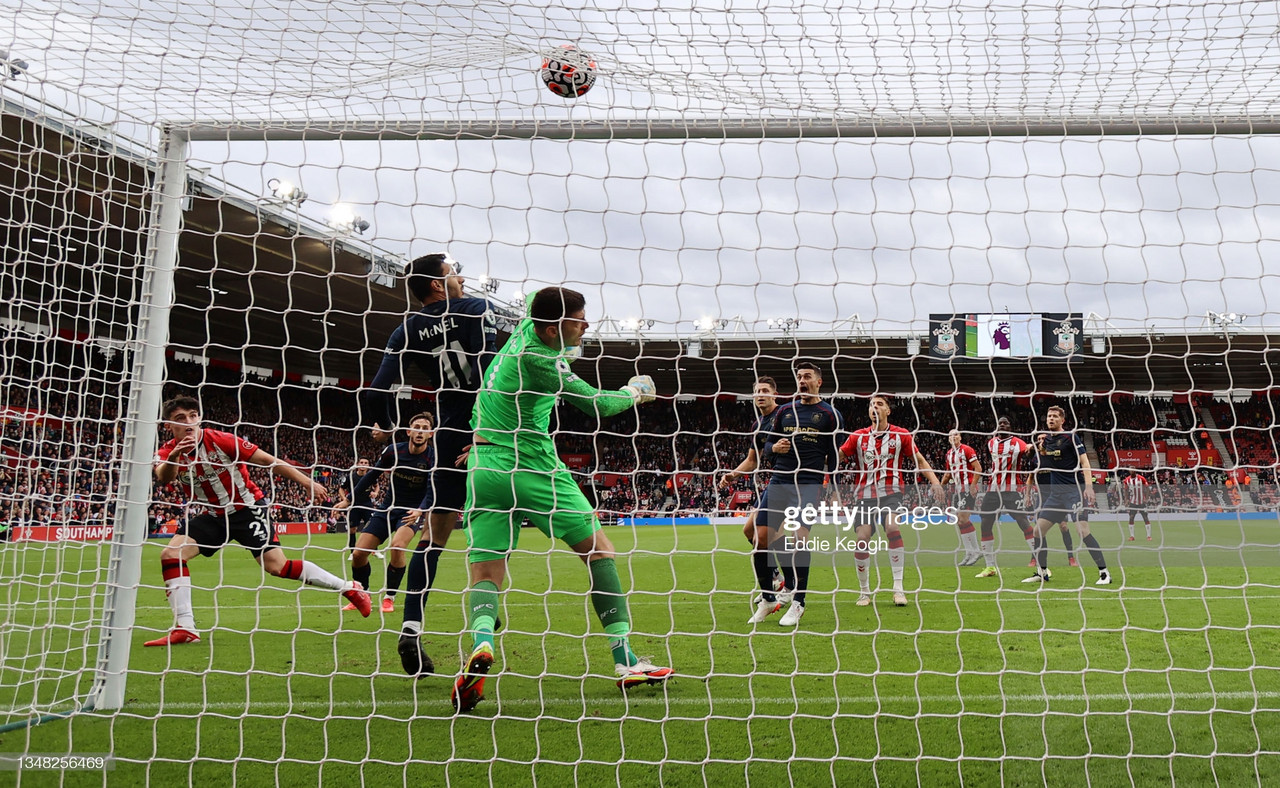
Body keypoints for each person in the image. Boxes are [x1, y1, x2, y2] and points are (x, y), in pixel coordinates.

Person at [451, 286, 670, 713]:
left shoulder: (527, 330)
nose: (586, 325)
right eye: (579, 320)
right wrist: (635, 391)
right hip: (530, 465)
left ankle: (481, 643)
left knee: (486, 571)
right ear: (551, 329)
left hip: (482, 464)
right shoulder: (541, 360)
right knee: (600, 552)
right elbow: (599, 405)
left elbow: (548, 306)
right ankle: (625, 660)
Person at [361, 252, 498, 676]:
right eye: (453, 271)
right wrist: (486, 432)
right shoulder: (478, 309)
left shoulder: (408, 329)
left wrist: (386, 425)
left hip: (448, 439)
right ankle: (486, 616)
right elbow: (494, 375)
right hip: (491, 438)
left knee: (435, 542)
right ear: (439, 284)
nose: (460, 275)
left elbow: (375, 390)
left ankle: (411, 628)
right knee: (504, 531)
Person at [147, 395, 369, 647]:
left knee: (277, 567)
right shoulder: (165, 452)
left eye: (193, 416)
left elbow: (268, 461)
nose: (188, 422)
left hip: (248, 509)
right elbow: (164, 477)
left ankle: (349, 587)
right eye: (180, 419)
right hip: (213, 516)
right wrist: (175, 455)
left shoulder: (220, 440)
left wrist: (307, 482)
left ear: (199, 417)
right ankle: (185, 627)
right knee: (171, 554)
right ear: (169, 426)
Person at [753, 362, 843, 626]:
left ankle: (798, 602)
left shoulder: (830, 414)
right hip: (780, 480)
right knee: (760, 539)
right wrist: (775, 449)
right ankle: (768, 599)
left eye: (807, 376)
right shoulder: (784, 411)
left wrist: (835, 489)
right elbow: (766, 444)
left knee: (799, 539)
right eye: (799, 376)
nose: (801, 380)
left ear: (818, 382)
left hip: (808, 482)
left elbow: (834, 456)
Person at [839, 395, 944, 607]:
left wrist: (935, 482)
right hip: (864, 496)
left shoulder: (901, 434)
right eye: (871, 404)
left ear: (888, 410)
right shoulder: (858, 437)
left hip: (891, 493)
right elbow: (837, 456)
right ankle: (864, 592)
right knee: (862, 538)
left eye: (879, 404)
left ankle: (898, 589)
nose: (874, 407)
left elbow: (920, 460)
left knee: (893, 527)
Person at [343, 413, 436, 615]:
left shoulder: (432, 457)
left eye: (425, 428)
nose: (420, 431)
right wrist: (349, 498)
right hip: (386, 509)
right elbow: (371, 475)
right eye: (417, 426)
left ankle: (389, 597)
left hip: (410, 512)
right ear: (409, 431)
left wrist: (420, 509)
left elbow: (433, 489)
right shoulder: (394, 451)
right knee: (358, 554)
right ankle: (362, 593)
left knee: (397, 546)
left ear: (430, 434)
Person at [718, 376, 789, 616]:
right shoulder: (758, 424)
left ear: (774, 394)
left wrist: (778, 449)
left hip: (789, 482)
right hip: (774, 482)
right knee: (749, 531)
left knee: (761, 536)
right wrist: (732, 475)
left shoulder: (786, 416)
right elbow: (752, 460)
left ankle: (778, 591)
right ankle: (779, 578)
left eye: (765, 390)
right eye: (757, 390)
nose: (760, 394)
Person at [1023, 406, 1110, 585]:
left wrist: (1089, 487)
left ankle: (1104, 573)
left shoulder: (1071, 437)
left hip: (1074, 493)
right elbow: (1038, 456)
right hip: (1056, 496)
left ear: (1063, 420)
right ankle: (1042, 571)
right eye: (1049, 416)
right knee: (1038, 530)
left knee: (1083, 532)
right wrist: (1033, 446)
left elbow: (1085, 462)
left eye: (1055, 416)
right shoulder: (1046, 441)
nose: (1051, 419)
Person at [973, 417, 1038, 578]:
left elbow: (1028, 453)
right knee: (985, 525)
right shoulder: (991, 443)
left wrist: (1032, 449)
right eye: (1000, 423)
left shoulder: (1018, 442)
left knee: (1023, 523)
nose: (1002, 425)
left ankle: (1039, 562)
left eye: (1006, 423)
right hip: (992, 491)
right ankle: (990, 567)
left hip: (1012, 490)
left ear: (1010, 427)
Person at [939, 429, 982, 566]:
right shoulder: (949, 454)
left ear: (960, 437)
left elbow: (978, 468)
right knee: (959, 521)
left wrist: (973, 486)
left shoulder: (967, 450)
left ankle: (976, 550)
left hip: (967, 488)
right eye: (951, 435)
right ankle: (969, 552)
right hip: (958, 491)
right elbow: (948, 473)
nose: (953, 437)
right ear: (948, 439)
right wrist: (940, 487)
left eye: (956, 434)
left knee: (963, 518)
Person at [333, 457, 374, 550]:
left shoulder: (371, 476)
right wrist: (345, 499)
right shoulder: (351, 476)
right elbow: (341, 488)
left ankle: (374, 550)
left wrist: (375, 492)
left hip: (367, 504)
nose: (363, 464)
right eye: (361, 462)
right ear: (357, 464)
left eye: (366, 463)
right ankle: (352, 551)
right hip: (354, 505)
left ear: (368, 465)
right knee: (352, 529)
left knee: (372, 527)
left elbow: (376, 486)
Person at [1122, 469, 1153, 541]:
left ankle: (1148, 536)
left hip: (1142, 502)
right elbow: (1126, 491)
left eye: (1133, 470)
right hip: (1133, 502)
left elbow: (1147, 488)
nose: (1131, 471)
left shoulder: (1141, 478)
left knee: (1145, 517)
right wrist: (1126, 500)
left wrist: (1147, 498)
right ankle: (1132, 536)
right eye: (1130, 470)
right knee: (1131, 517)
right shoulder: (1127, 480)